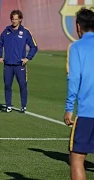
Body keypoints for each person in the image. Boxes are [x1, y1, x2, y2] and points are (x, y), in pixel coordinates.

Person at [64, 7, 94, 180]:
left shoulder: (76, 47)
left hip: (87, 112)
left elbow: (74, 79)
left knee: (76, 159)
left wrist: (69, 108)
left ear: (78, 26)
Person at [0, 10, 38, 113]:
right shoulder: (6, 32)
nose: (14, 21)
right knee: (7, 85)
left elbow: (34, 47)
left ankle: (23, 106)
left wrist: (28, 58)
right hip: (8, 65)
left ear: (20, 19)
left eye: (16, 19)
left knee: (23, 86)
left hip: (20, 65)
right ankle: (8, 105)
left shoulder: (25, 32)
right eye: (12, 19)